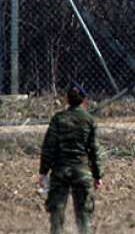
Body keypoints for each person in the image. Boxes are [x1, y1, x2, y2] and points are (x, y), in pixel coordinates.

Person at [39, 80, 103, 234]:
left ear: (67, 99)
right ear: (85, 100)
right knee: (83, 217)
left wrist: (43, 171)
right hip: (82, 172)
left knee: (57, 216)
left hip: (60, 172)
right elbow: (94, 151)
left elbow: (49, 147)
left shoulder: (58, 119)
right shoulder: (90, 121)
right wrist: (97, 175)